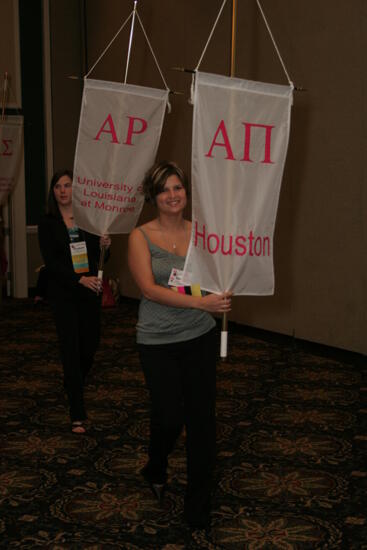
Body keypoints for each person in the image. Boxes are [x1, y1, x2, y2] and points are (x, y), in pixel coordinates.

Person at [128, 161, 232, 530]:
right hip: (157, 341)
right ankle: (157, 463)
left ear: (186, 193)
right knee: (169, 417)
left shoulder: (201, 233)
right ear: (153, 196)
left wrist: (219, 290)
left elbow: (205, 279)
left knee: (203, 423)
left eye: (178, 188)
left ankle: (197, 507)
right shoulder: (141, 236)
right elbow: (149, 289)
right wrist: (200, 302)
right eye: (164, 190)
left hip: (200, 336)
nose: (173, 196)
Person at [38, 169, 111, 434]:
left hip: (89, 291)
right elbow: (52, 262)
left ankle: (73, 382)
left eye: (67, 185)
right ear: (53, 192)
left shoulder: (88, 219)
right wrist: (77, 279)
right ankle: (77, 412)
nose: (63, 190)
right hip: (64, 292)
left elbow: (100, 257)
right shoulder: (47, 222)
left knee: (89, 346)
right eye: (57, 186)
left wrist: (105, 245)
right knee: (70, 348)